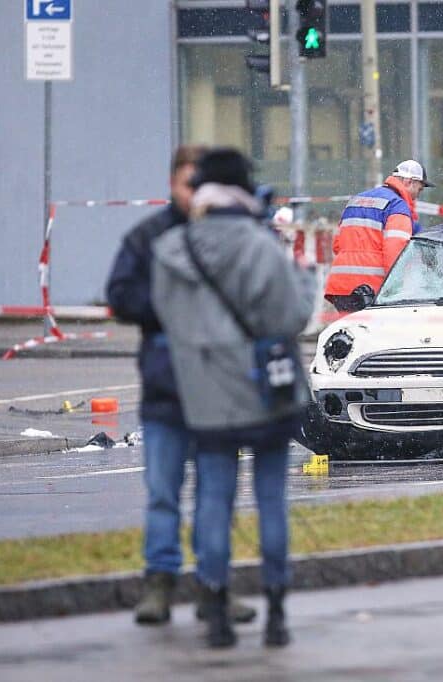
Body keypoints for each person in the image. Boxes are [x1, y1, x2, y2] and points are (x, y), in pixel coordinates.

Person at [151, 148, 316, 648]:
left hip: (205, 396)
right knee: (270, 499)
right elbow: (289, 319)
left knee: (214, 501)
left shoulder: (171, 250)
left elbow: (169, 321)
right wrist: (306, 281)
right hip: (267, 390)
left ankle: (217, 609)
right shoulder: (260, 245)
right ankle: (277, 611)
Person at [105, 146, 256, 627]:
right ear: (173, 183)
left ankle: (216, 586)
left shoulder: (232, 236)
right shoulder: (148, 237)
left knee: (216, 494)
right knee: (163, 493)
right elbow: (121, 295)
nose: (198, 195)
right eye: (189, 185)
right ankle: (160, 584)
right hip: (167, 390)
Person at [324, 159, 433, 311]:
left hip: (340, 287)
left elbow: (337, 245)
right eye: (419, 189)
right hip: (370, 290)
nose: (417, 196)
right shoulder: (397, 206)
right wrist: (396, 290)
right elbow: (395, 252)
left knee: (350, 333)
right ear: (409, 182)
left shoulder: (356, 200)